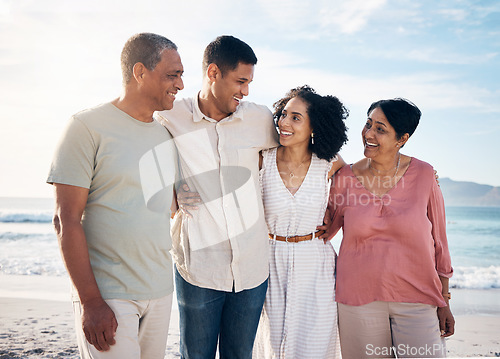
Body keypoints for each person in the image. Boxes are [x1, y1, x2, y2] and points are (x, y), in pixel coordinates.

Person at [46, 33, 184, 358]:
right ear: (140, 72)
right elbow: (65, 219)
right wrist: (91, 301)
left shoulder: (167, 134)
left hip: (160, 291)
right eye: (172, 75)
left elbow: (163, 206)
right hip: (108, 295)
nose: (180, 84)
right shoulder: (86, 127)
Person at [154, 35, 279, 358]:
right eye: (240, 81)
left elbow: (303, 153)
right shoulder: (170, 116)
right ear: (213, 73)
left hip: (251, 268)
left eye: (249, 83)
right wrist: (171, 187)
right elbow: (143, 155)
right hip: (199, 267)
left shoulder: (260, 118)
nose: (245, 91)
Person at [321, 98, 454, 358]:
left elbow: (440, 242)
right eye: (368, 124)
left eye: (380, 129)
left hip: (417, 300)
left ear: (401, 139)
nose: (368, 134)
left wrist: (444, 300)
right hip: (357, 301)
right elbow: (324, 230)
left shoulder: (425, 175)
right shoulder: (344, 178)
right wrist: (325, 161)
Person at [252, 86, 348, 359]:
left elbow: (359, 187)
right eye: (283, 115)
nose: (284, 123)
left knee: (315, 344)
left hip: (316, 264)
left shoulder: (328, 163)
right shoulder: (263, 159)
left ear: (314, 127)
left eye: (296, 118)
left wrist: (336, 220)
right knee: (271, 345)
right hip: (270, 261)